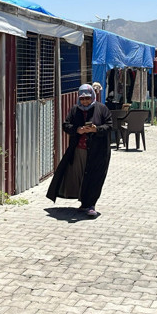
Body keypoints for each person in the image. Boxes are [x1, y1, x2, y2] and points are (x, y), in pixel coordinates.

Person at [46, 83, 113, 217]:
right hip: (79, 151)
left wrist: (96, 129)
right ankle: (84, 203)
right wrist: (77, 130)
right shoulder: (75, 110)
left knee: (95, 178)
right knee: (82, 177)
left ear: (93, 96)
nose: (85, 101)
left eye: (87, 98)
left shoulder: (102, 109)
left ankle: (91, 204)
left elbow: (110, 126)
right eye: (82, 98)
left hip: (98, 152)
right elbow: (66, 125)